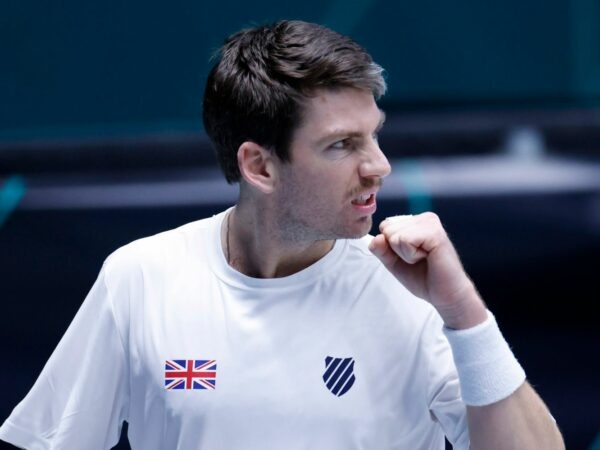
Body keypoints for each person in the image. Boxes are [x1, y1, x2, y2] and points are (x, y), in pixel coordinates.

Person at [0, 20, 564, 450]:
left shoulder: (415, 291)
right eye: (342, 145)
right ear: (260, 167)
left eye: (374, 136)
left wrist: (464, 311)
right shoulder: (140, 277)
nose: (379, 166)